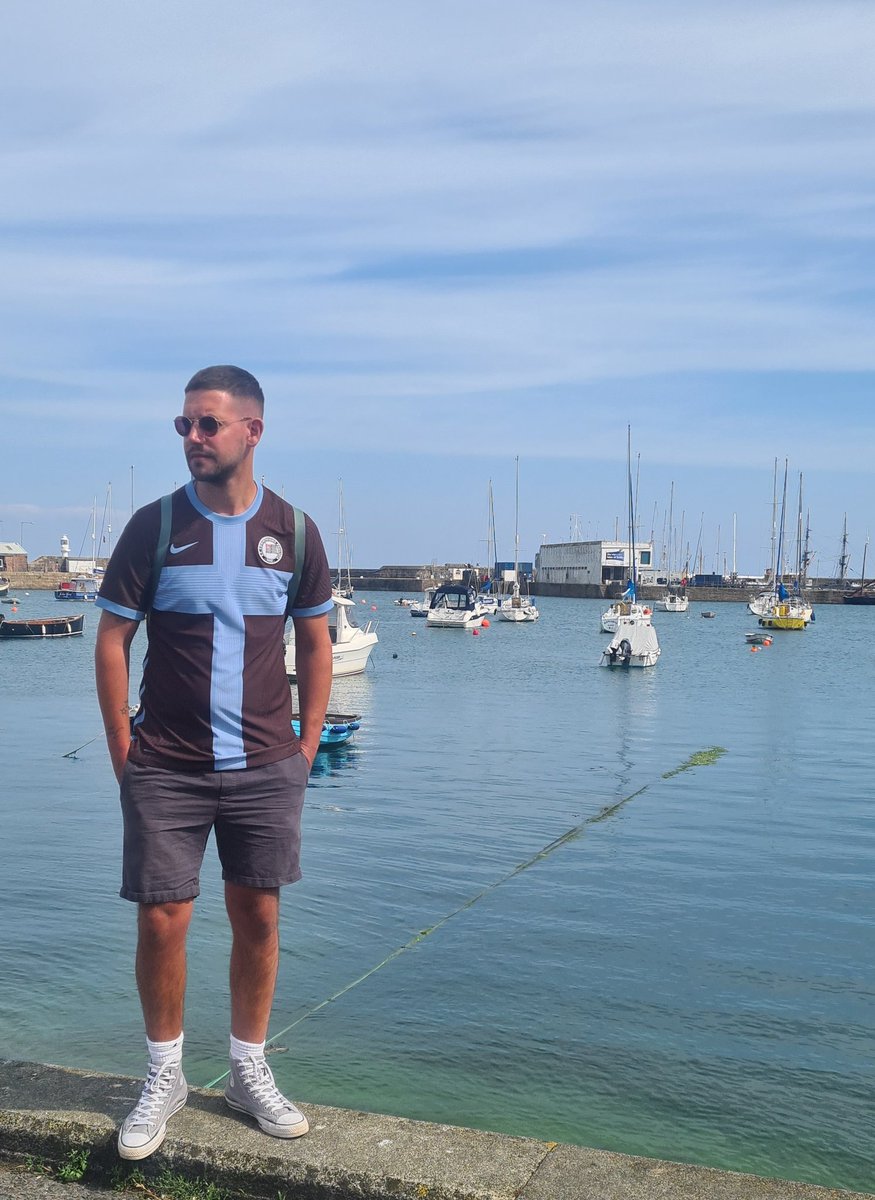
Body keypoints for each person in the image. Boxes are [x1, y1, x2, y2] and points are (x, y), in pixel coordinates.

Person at [95, 365, 334, 1161]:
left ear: (252, 432)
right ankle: (163, 1074)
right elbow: (112, 640)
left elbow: (314, 641)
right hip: (165, 763)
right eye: (184, 425)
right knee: (163, 919)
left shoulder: (294, 533)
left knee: (257, 916)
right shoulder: (154, 527)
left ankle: (246, 1069)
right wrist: (124, 753)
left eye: (207, 425)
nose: (192, 438)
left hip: (267, 763)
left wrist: (305, 747)